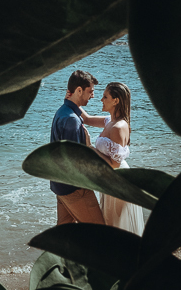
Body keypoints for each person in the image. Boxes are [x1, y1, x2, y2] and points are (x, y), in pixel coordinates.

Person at [50, 70, 104, 225]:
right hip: (75, 189)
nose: (92, 96)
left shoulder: (63, 111)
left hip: (61, 186)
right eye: (90, 92)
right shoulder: (71, 120)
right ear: (79, 90)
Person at [91, 82, 145, 235]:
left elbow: (114, 164)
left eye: (105, 96)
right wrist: (72, 99)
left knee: (118, 226)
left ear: (116, 100)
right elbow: (86, 118)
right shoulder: (110, 121)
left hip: (120, 180)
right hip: (110, 180)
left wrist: (91, 149)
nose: (101, 99)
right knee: (110, 223)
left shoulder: (118, 127)